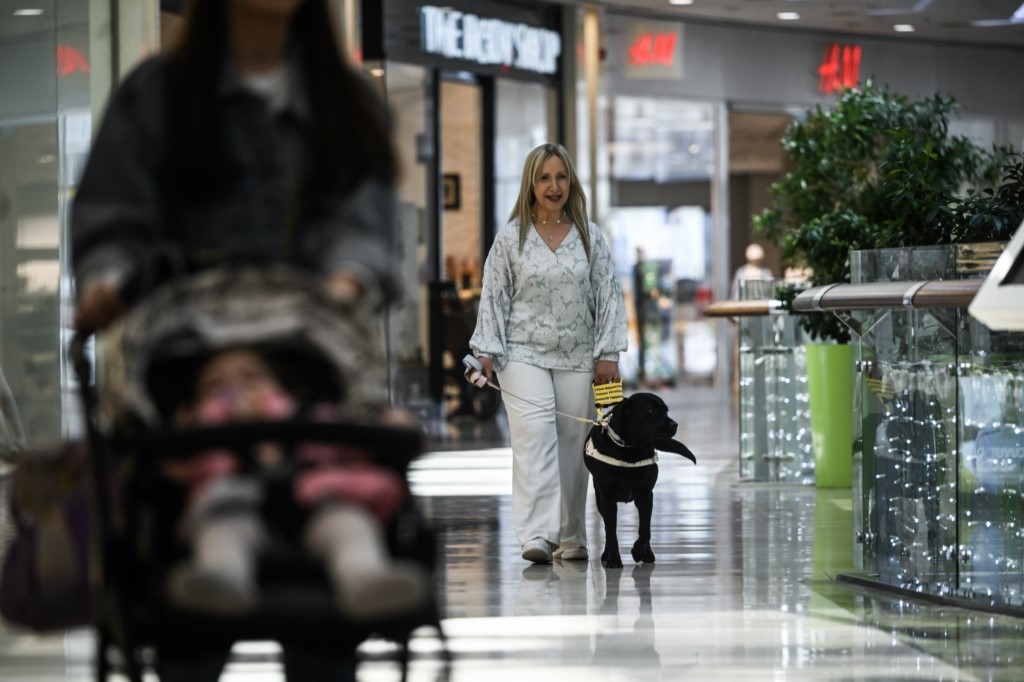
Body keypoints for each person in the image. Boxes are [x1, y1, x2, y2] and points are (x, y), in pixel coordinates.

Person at [69, 1, 401, 679]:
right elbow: (117, 217)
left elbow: (365, 229)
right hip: (191, 357)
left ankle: (350, 570)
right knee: (177, 557)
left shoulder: (348, 102)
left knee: (322, 591)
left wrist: (347, 281)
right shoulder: (157, 96)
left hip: (309, 355)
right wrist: (108, 277)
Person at [162, 348, 428, 620]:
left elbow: (353, 448)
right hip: (236, 509)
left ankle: (367, 582)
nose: (235, 386)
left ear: (280, 385)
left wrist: (385, 426)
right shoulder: (201, 436)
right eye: (216, 384)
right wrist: (189, 429)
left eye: (251, 377)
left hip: (321, 506)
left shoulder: (312, 415)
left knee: (351, 526)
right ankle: (222, 582)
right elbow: (174, 471)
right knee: (220, 531)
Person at [469, 143, 628, 565]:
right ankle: (537, 534)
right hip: (522, 353)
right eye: (544, 178)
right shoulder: (510, 237)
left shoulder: (591, 236)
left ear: (570, 182)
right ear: (531, 184)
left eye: (560, 177)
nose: (553, 186)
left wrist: (607, 353)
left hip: (578, 354)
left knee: (574, 445)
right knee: (534, 437)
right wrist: (485, 351)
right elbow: (494, 298)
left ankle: (572, 536)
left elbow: (609, 296)